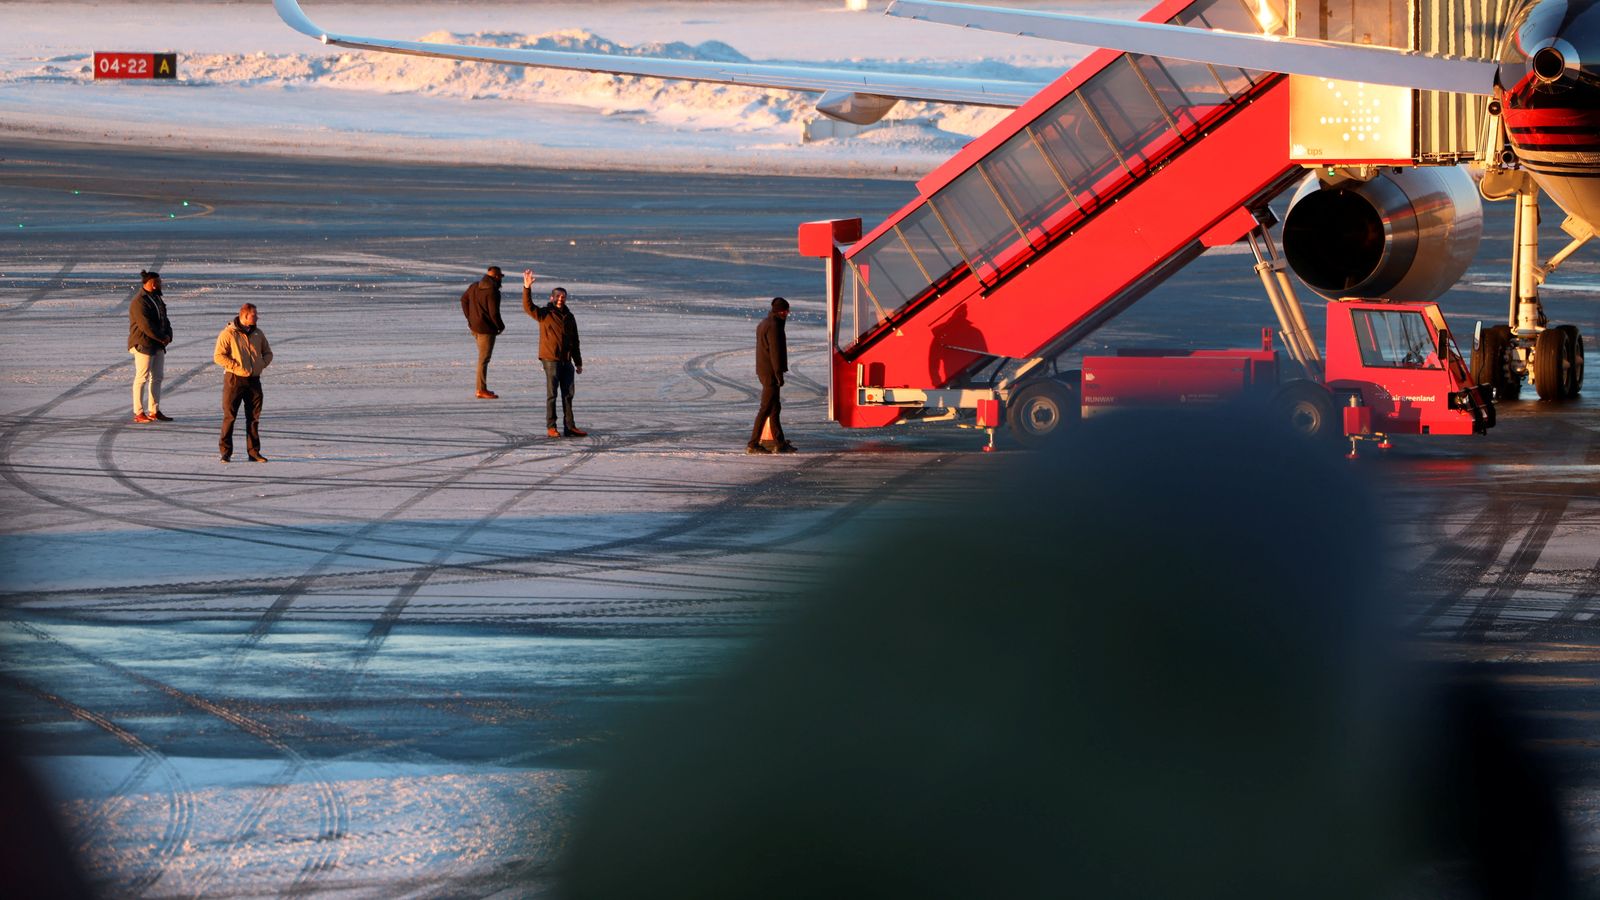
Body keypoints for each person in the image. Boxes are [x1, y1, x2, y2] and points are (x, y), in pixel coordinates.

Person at [522, 270, 586, 438]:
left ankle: (570, 427)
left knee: (568, 395)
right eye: (557, 296)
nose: (560, 299)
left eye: (563, 297)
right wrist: (527, 287)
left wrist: (578, 362)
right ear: (552, 298)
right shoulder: (545, 314)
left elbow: (575, 341)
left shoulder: (570, 317)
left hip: (567, 361)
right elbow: (528, 307)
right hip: (550, 359)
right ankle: (551, 427)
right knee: (552, 394)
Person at [213, 302, 273, 463]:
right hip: (234, 380)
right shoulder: (228, 333)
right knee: (230, 416)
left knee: (253, 417)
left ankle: (254, 452)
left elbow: (268, 352)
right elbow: (218, 356)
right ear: (244, 316)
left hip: (254, 380)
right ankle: (225, 452)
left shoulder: (258, 334)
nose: (257, 317)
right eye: (254, 315)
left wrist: (261, 365)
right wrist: (235, 366)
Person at [749, 297, 795, 454]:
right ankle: (753, 444)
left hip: (764, 370)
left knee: (775, 408)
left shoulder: (765, 323)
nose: (788, 313)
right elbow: (775, 353)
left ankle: (779, 442)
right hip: (770, 372)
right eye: (786, 310)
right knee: (766, 408)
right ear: (779, 311)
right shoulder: (774, 326)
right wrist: (778, 374)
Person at [127, 270, 173, 424]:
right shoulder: (139, 301)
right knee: (142, 377)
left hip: (158, 344)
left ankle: (154, 410)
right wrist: (162, 337)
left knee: (157, 377)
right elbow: (145, 326)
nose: (161, 284)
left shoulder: (157, 298)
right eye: (159, 282)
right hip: (144, 344)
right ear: (152, 284)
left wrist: (168, 335)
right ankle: (139, 412)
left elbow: (165, 319)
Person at [461, 266, 506, 398]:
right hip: (486, 330)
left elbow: (464, 300)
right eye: (500, 277)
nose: (501, 280)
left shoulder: (474, 286)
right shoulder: (493, 291)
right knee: (483, 359)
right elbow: (494, 313)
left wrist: (470, 318)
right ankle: (480, 389)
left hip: (475, 327)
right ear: (497, 277)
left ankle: (482, 388)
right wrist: (501, 326)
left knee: (482, 358)